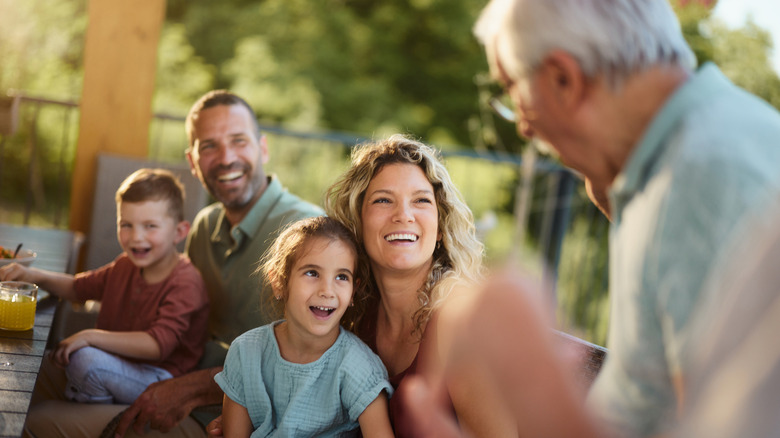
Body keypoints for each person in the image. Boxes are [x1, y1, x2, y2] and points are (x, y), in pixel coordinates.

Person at [471, 0, 780, 437]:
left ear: (563, 79)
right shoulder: (676, 159)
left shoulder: (700, 180)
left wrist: (531, 377)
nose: (523, 126)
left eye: (511, 88)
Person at [24, 90, 324, 438]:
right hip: (169, 378)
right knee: (32, 376)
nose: (226, 157)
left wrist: (189, 389)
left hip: (223, 413)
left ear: (264, 148)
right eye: (209, 146)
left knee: (34, 425)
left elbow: (309, 357)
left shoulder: (306, 232)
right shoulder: (205, 225)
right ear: (193, 162)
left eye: (239, 141)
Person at [324, 134, 526, 437]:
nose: (403, 215)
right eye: (383, 200)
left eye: (421, 200)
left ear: (441, 227)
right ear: (358, 221)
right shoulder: (352, 311)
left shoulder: (461, 324)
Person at [0, 168, 209, 405]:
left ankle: (93, 413)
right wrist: (31, 274)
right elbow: (78, 288)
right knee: (37, 364)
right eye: (126, 224)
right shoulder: (125, 265)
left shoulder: (185, 281)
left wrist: (91, 336)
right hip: (115, 363)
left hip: (159, 379)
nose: (136, 237)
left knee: (84, 361)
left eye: (150, 226)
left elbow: (156, 346)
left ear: (179, 232)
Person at [215, 216, 393, 437]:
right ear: (279, 281)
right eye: (312, 273)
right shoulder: (246, 352)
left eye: (341, 277)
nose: (327, 290)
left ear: (353, 292)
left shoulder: (358, 368)